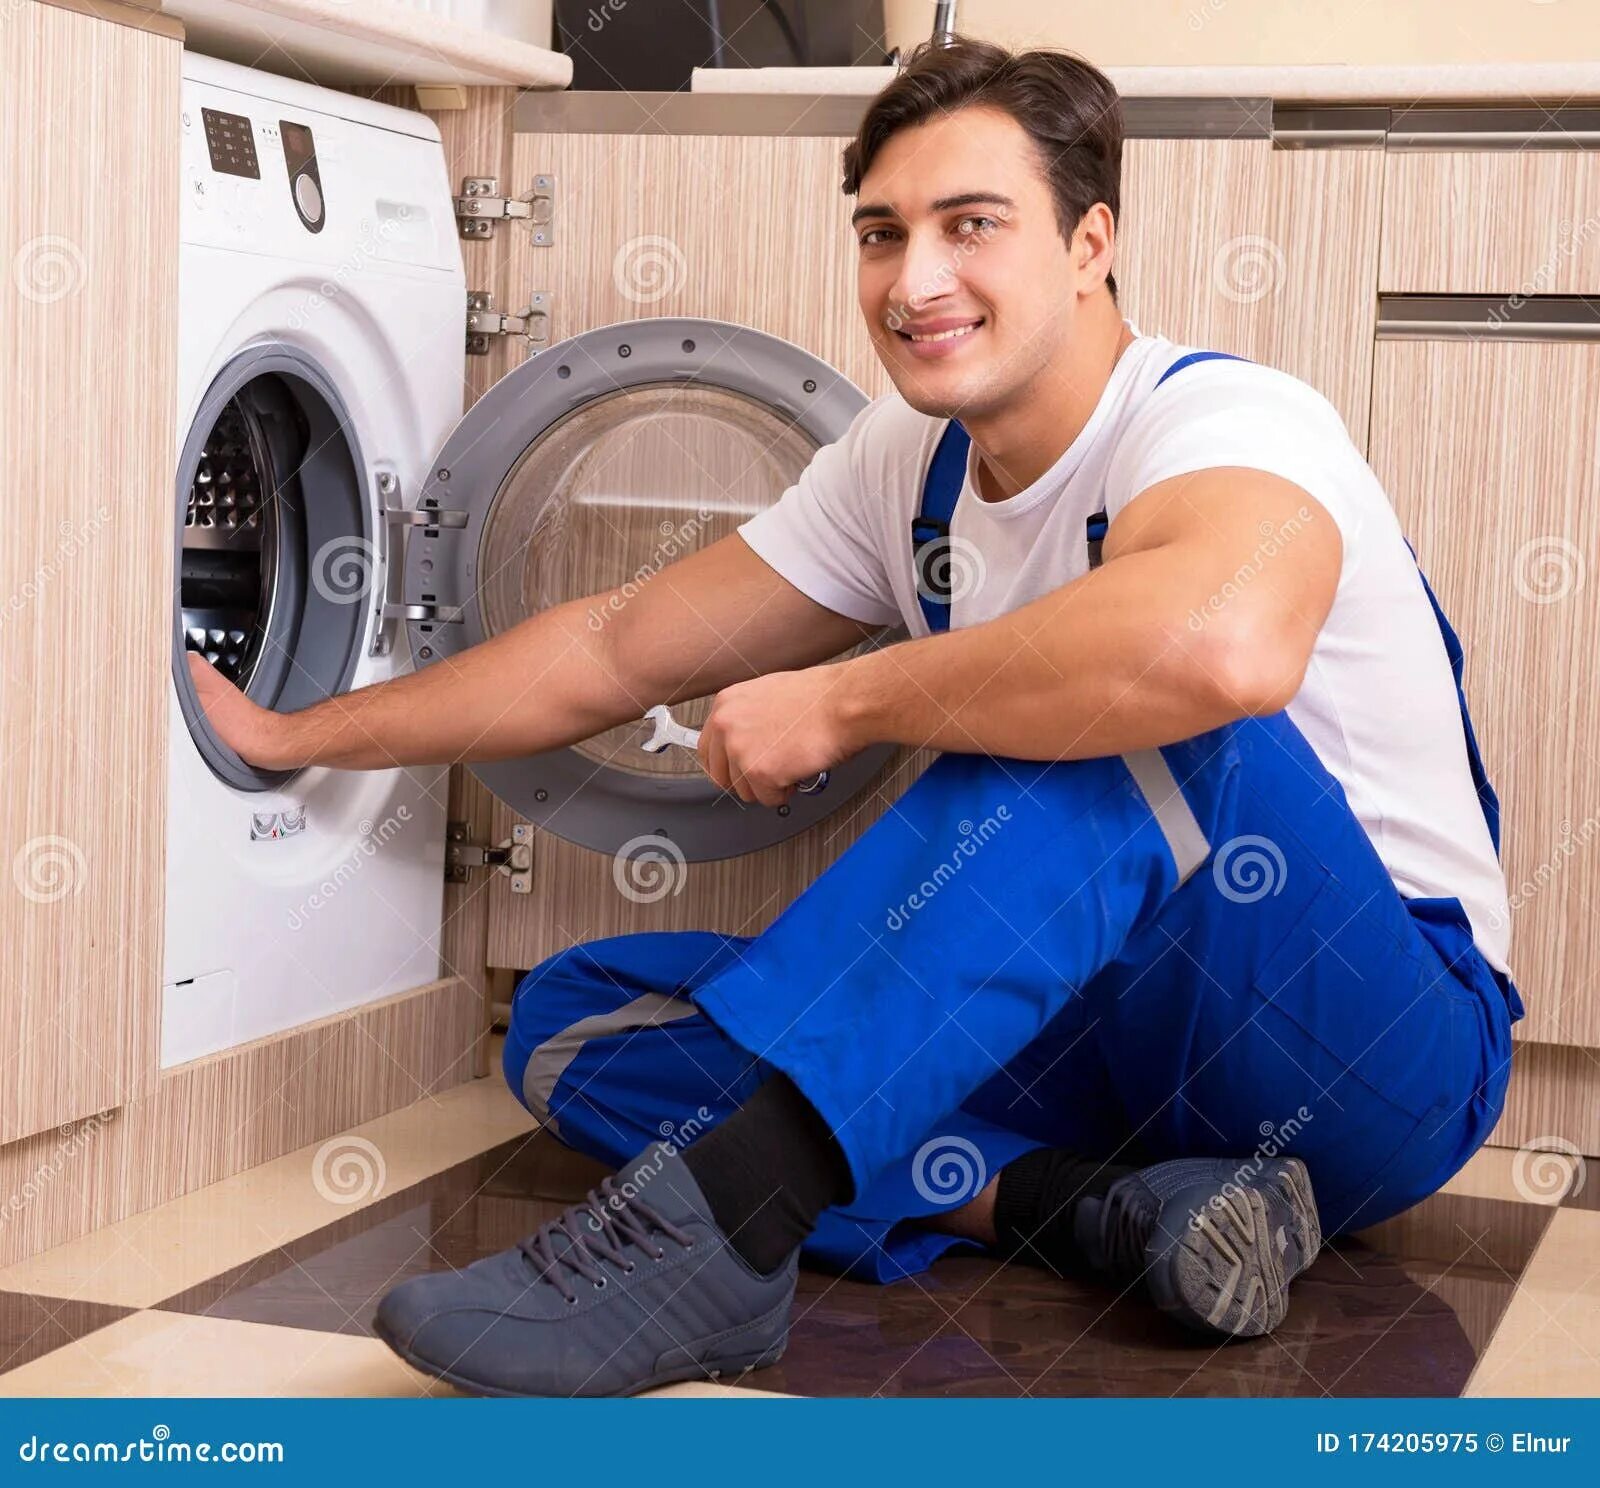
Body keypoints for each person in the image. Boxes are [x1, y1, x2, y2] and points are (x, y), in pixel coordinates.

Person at [189, 38, 1523, 1398]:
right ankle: (1089, 1209)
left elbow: (1219, 648)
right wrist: (307, 731)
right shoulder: (908, 464)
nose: (916, 279)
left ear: (1089, 243)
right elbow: (616, 645)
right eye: (883, 234)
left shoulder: (1225, 420)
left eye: (972, 226)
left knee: (1137, 708)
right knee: (581, 1022)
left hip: (1367, 1048)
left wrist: (845, 695)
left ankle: (708, 1237)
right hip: (1098, 1054)